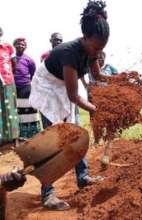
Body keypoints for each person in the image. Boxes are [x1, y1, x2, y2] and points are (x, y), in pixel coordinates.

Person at [29, 1, 110, 210]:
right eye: (95, 47)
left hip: (63, 88)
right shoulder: (70, 53)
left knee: (77, 134)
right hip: (48, 88)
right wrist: (96, 110)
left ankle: (82, 177)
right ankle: (47, 194)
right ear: (85, 37)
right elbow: (74, 96)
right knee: (54, 140)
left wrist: (118, 84)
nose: (97, 53)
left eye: (102, 49)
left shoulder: (91, 52)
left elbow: (98, 76)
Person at [12, 38, 41, 139]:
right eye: (18, 44)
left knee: (30, 110)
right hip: (14, 89)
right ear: (14, 45)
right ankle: (21, 135)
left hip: (26, 88)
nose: (21, 46)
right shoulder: (11, 59)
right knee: (19, 111)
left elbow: (34, 74)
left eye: (23, 45)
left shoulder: (29, 60)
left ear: (26, 47)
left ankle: (34, 134)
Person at [0, 27, 19, 146]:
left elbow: (14, 63)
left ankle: (14, 138)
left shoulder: (7, 47)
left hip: (8, 81)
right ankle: (1, 139)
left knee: (11, 109)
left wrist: (9, 75)